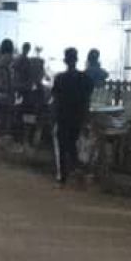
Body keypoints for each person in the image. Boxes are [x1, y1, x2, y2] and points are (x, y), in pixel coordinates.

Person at [51, 47, 93, 186]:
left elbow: (55, 99)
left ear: (65, 61)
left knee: (63, 146)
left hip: (63, 116)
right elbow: (87, 99)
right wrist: (85, 117)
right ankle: (76, 171)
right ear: (76, 60)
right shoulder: (85, 79)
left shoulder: (60, 78)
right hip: (77, 116)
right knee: (73, 144)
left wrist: (54, 115)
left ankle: (63, 176)